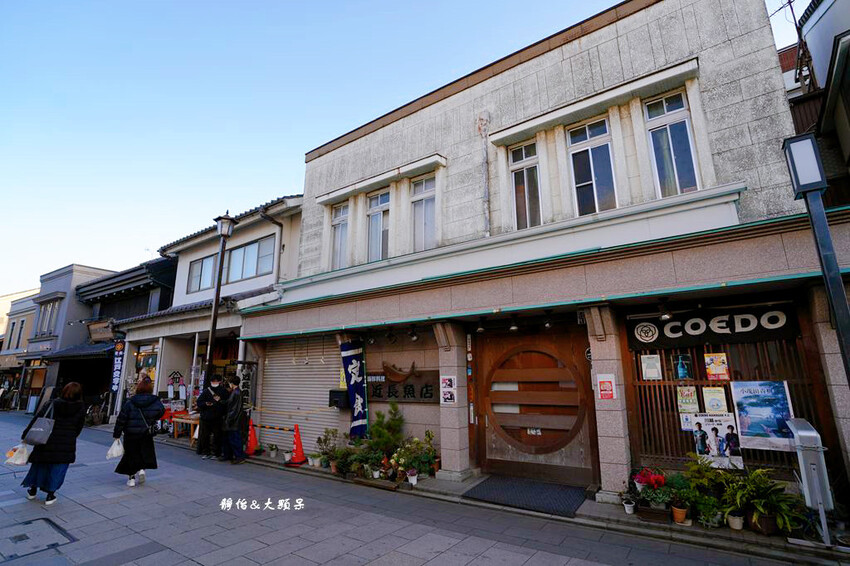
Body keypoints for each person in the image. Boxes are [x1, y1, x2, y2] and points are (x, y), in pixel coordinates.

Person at [20, 382, 85, 505]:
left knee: (39, 465)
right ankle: (50, 495)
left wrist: (26, 435)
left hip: (46, 439)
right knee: (58, 468)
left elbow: (38, 419)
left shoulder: (53, 403)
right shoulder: (80, 407)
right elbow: (79, 427)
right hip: (66, 442)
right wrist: (71, 436)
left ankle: (32, 490)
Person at [113, 377, 165, 487]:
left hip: (130, 433)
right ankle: (142, 469)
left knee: (131, 455)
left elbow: (121, 418)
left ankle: (131, 478)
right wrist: (151, 418)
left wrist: (117, 434)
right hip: (146, 432)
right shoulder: (155, 401)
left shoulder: (130, 402)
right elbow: (160, 412)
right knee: (144, 452)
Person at [196, 375, 227, 459]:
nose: (214, 383)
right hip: (206, 418)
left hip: (217, 418)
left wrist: (219, 401)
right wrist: (205, 404)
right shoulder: (206, 391)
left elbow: (226, 404)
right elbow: (199, 402)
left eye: (216, 381)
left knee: (217, 436)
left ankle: (216, 453)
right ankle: (206, 452)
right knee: (205, 436)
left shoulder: (223, 391)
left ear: (220, 382)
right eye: (213, 381)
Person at [221, 376, 246, 464]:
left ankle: (239, 457)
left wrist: (229, 419)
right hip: (233, 420)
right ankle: (229, 455)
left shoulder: (236, 393)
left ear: (231, 383)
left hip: (233, 421)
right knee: (230, 439)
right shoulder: (236, 392)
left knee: (234, 439)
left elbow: (234, 409)